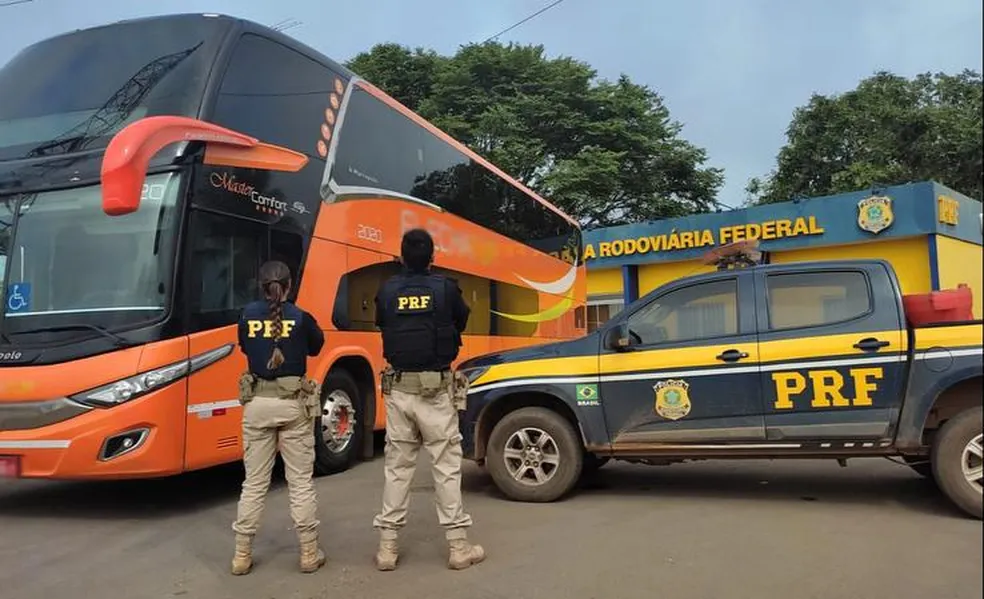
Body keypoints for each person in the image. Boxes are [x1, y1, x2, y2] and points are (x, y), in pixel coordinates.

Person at [371, 228, 485, 571]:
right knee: (446, 468)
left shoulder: (387, 290)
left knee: (397, 469)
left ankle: (387, 549)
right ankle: (458, 547)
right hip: (436, 393)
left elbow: (382, 323)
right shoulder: (446, 289)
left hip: (400, 391)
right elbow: (461, 320)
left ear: (401, 257)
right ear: (433, 257)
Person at [230, 260, 327, 576]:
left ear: (261, 286)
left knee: (254, 483)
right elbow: (316, 348)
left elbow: (245, 346)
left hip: (257, 404)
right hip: (292, 406)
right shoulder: (301, 318)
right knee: (299, 481)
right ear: (288, 286)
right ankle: (309, 554)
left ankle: (241, 556)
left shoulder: (246, 316)